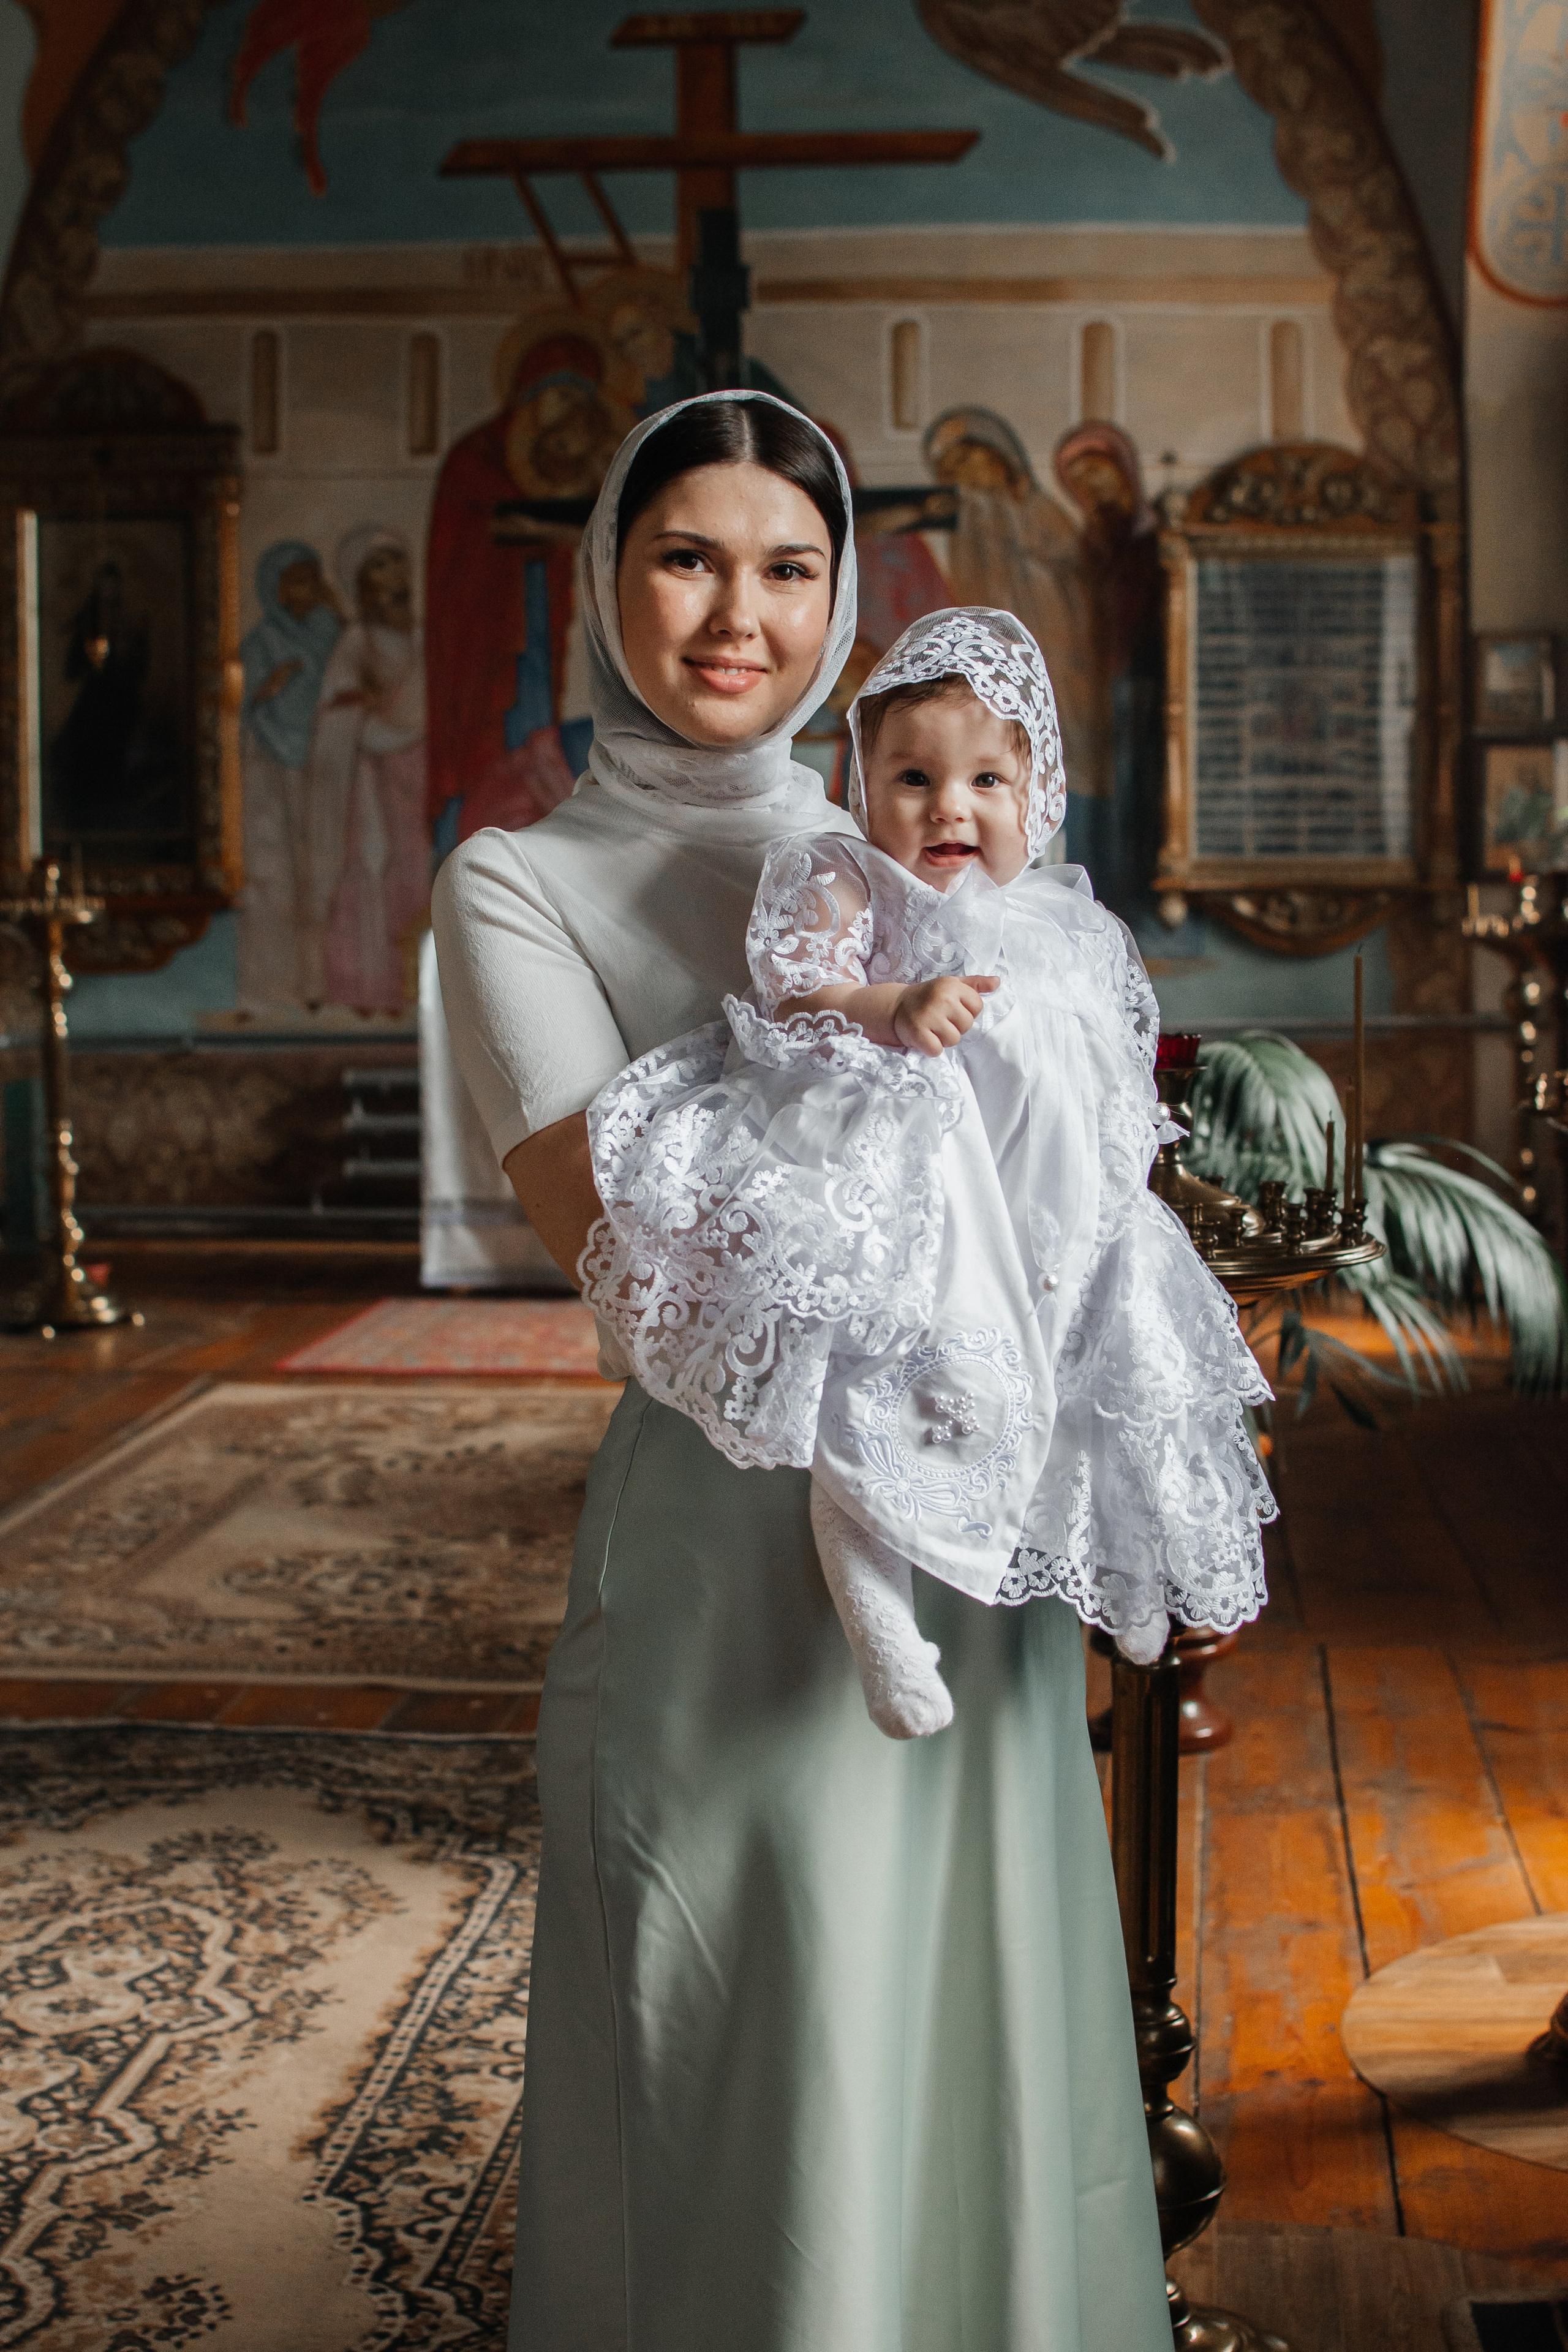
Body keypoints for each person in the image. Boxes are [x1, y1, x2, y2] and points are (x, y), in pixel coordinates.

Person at [433, 389, 1174, 2351]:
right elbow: (629, 1244)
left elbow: (1072, 1159)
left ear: (846, 599)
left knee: (971, 2014)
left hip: (972, 1520)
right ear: (606, 576)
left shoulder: (927, 813)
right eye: (687, 555)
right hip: (720, 1537)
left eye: (787, 565)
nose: (735, 611)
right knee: (740, 2047)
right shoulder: (518, 878)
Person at [581, 608, 1274, 1736]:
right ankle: (880, 1618)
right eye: (913, 777)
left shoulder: (1063, 922)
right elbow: (795, 987)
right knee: (887, 1385)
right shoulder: (851, 879)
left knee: (1116, 1367)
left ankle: (1132, 1575)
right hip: (922, 1189)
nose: (950, 808)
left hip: (1055, 1213)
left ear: (1033, 798)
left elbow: (1110, 1061)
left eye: (987, 783)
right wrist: (889, 1006)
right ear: (861, 782)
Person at [925, 404, 1109, 804]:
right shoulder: (969, 518)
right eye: (954, 466)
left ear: (1000, 458)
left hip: (1056, 649)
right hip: (996, 657)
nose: (967, 472)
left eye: (973, 458)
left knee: (1063, 738)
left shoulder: (1036, 510)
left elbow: (1073, 571)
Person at [309, 524, 429, 1014]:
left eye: (396, 562)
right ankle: (367, 989)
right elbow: (336, 711)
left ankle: (416, 991)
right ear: (362, 584)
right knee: (373, 871)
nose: (393, 578)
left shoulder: (424, 638)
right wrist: (367, 712)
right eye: (379, 568)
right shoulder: (357, 641)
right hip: (375, 780)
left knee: (418, 872)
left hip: (422, 775)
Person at [235, 539, 342, 1012]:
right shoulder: (258, 644)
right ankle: (271, 990)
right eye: (297, 580)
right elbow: (235, 709)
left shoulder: (332, 634)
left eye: (312, 577)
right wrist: (270, 685)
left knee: (323, 871)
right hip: (272, 769)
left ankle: (321, 983)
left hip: (326, 765)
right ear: (275, 591)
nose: (309, 589)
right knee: (273, 874)